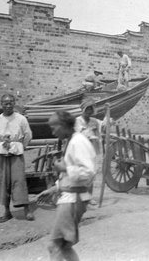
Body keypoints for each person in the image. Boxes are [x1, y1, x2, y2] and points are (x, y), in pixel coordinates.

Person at [37, 110, 97, 261]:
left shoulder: (78, 142)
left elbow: (88, 171)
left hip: (73, 199)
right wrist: (54, 188)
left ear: (63, 125)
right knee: (63, 246)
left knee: (54, 246)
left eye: (54, 127)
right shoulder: (72, 141)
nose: (52, 132)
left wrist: (64, 168)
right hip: (71, 197)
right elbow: (70, 176)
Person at [0, 93, 34, 222]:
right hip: (2, 153)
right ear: (1, 105)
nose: (8, 106)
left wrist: (20, 146)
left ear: (14, 103)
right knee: (3, 182)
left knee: (19, 180)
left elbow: (28, 135)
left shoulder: (21, 119)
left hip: (17, 153)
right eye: (5, 103)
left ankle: (27, 210)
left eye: (11, 103)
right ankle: (6, 211)